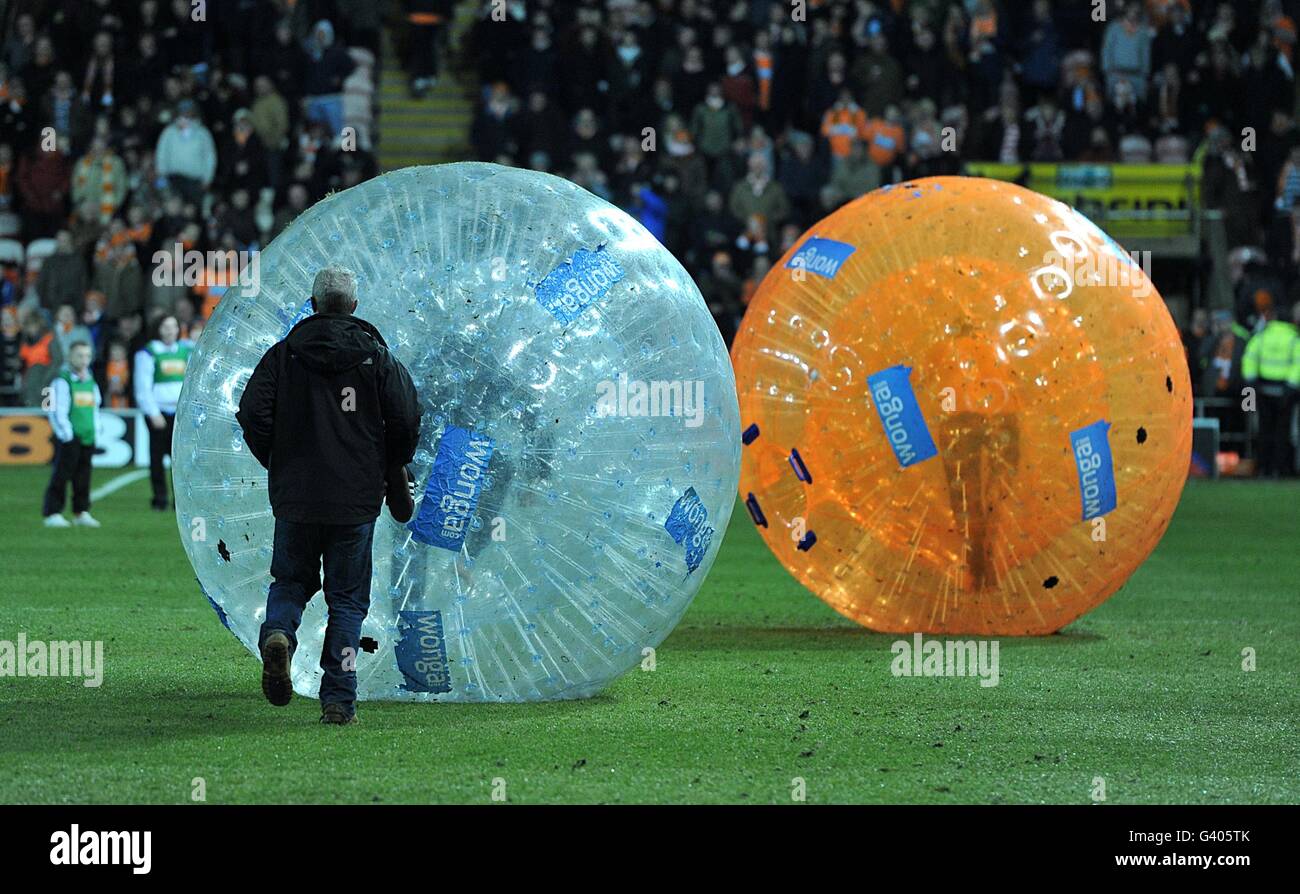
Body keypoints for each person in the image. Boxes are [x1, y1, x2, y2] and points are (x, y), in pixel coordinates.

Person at [236, 267, 420, 724]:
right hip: (354, 499)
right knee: (348, 600)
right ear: (354, 306)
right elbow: (407, 420)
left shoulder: (283, 356)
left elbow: (251, 412)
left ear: (312, 304)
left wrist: (279, 460)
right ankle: (338, 698)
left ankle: (278, 633)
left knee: (290, 581)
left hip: (296, 495)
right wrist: (385, 468)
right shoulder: (377, 359)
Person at [133, 315, 192, 510]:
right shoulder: (148, 353)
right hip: (159, 411)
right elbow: (142, 387)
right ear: (158, 329)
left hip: (180, 413)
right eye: (165, 327)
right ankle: (160, 499)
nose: (170, 331)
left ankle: (180, 500)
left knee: (180, 460)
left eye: (173, 326)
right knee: (157, 458)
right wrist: (152, 412)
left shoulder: (186, 349)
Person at [42, 340, 101, 528]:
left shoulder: (91, 381)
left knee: (83, 476)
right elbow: (54, 410)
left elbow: (95, 408)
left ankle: (80, 511)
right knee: (61, 475)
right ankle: (52, 512)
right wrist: (65, 433)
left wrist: (96, 429)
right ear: (70, 357)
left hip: (87, 435)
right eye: (79, 356)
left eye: (87, 356)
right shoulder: (61, 380)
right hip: (70, 437)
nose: (84, 360)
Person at [1242, 302, 1299, 477]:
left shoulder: (1261, 336)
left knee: (1263, 430)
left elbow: (1249, 358)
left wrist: (1251, 383)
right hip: (1286, 393)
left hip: (1261, 390)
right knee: (1283, 432)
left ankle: (1262, 468)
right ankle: (1280, 469)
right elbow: (1298, 364)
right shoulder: (1294, 339)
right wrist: (1290, 386)